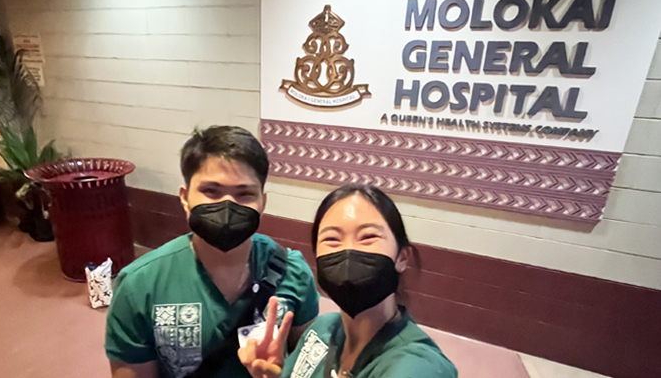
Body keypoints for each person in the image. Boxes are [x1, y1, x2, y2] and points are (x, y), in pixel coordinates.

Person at [105, 126, 320, 378]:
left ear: (262, 202)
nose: (227, 206)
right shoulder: (140, 285)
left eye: (244, 194)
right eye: (211, 191)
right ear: (185, 198)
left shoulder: (292, 272)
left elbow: (310, 365)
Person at [238, 184, 457, 378]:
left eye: (368, 237)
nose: (348, 251)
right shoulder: (321, 331)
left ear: (401, 257)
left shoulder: (418, 367)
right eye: (331, 239)